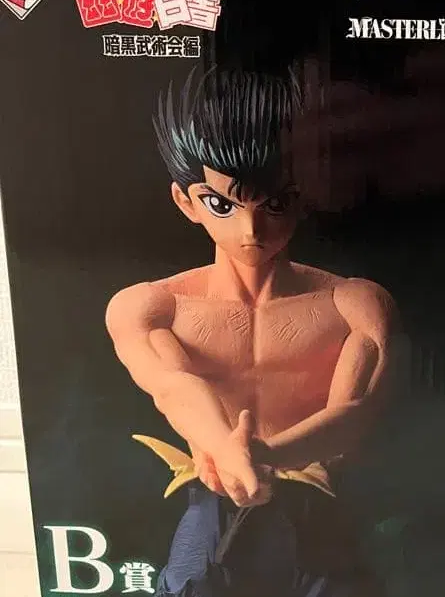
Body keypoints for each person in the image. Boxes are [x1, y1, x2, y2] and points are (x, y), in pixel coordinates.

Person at [106, 66, 395, 597]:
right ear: (186, 202)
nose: (251, 230)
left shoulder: (354, 303)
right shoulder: (152, 308)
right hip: (212, 485)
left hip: (314, 490)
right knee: (190, 581)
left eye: (275, 203)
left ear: (304, 196)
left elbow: (354, 412)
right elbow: (173, 387)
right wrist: (226, 450)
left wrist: (268, 455)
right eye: (222, 204)